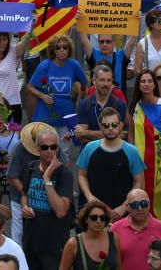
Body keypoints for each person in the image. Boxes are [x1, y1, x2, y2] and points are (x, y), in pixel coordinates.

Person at [15, 126, 73, 270]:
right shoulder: (31, 167)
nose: (49, 151)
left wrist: (47, 178)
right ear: (37, 148)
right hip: (30, 242)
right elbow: (24, 194)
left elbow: (61, 211)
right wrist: (25, 207)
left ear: (58, 148)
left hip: (53, 246)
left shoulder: (64, 174)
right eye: (45, 147)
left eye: (53, 147)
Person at [77, 107, 145, 215]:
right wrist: (89, 196)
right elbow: (81, 175)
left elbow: (139, 182)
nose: (110, 128)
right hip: (95, 214)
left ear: (120, 126)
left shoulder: (132, 151)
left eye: (114, 125)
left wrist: (125, 206)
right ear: (100, 127)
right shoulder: (89, 148)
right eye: (106, 125)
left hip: (122, 215)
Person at [110, 189, 161, 270]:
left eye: (144, 204)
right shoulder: (115, 228)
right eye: (135, 205)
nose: (140, 208)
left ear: (149, 205)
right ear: (127, 207)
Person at [58, 201, 122, 270]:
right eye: (94, 217)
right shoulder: (73, 244)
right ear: (86, 219)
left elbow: (119, 267)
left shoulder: (114, 238)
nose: (98, 221)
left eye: (102, 218)